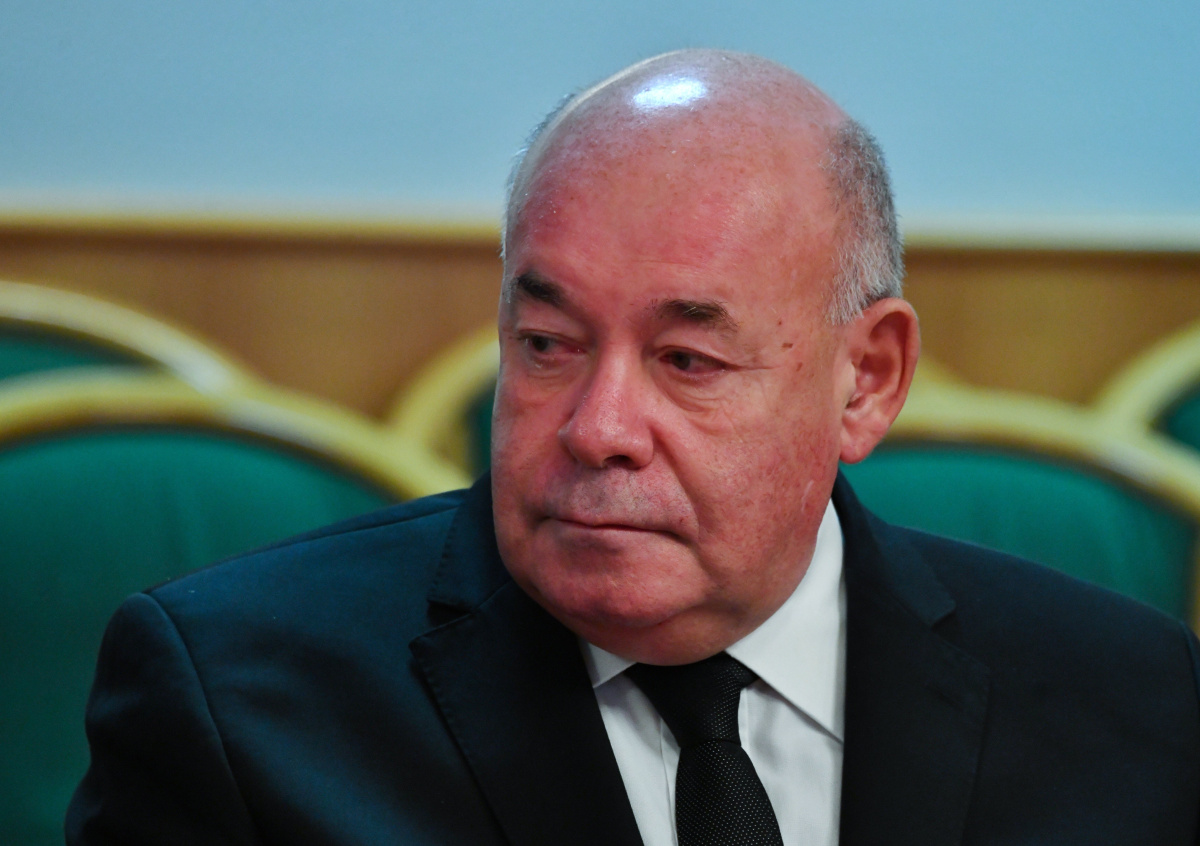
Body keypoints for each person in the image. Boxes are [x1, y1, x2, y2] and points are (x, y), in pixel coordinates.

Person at [67, 49, 1200, 846]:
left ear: (867, 379)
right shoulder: (237, 705)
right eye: (548, 345)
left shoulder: (1136, 704)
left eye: (687, 361)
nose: (597, 428)